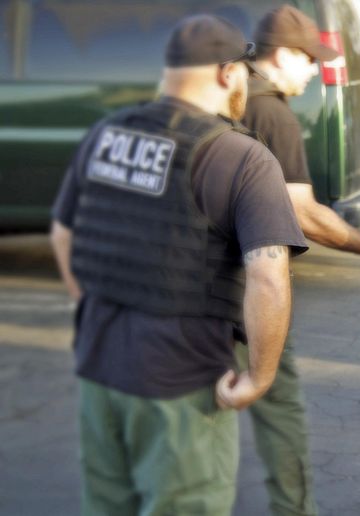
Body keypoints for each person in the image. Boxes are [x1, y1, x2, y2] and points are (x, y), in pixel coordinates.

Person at [48, 15, 307, 515]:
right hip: (181, 386)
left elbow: (64, 234)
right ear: (226, 73)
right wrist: (258, 378)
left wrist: (93, 305)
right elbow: (269, 279)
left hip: (100, 373)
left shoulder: (107, 132)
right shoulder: (243, 159)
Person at [234, 6, 360, 515]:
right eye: (310, 60)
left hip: (183, 292)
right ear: (282, 55)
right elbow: (302, 210)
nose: (316, 71)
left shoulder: (224, 95)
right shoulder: (271, 113)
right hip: (242, 294)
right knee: (281, 411)